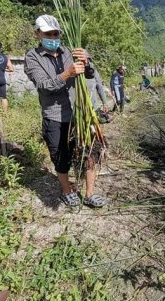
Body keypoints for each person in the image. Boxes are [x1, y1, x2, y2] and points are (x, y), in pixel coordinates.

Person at [24, 14, 106, 208]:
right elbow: (44, 86)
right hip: (55, 115)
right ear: (38, 34)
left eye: (56, 34)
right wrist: (67, 73)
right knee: (61, 157)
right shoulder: (32, 57)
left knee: (90, 152)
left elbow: (89, 75)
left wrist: (87, 62)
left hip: (80, 113)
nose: (53, 38)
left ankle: (90, 193)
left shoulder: (69, 52)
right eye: (48, 34)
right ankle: (67, 190)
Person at [85, 55, 110, 123]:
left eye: (86, 60)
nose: (85, 62)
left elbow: (100, 87)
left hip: (93, 106)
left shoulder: (93, 72)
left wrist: (105, 103)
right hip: (79, 108)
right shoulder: (74, 72)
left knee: (95, 125)